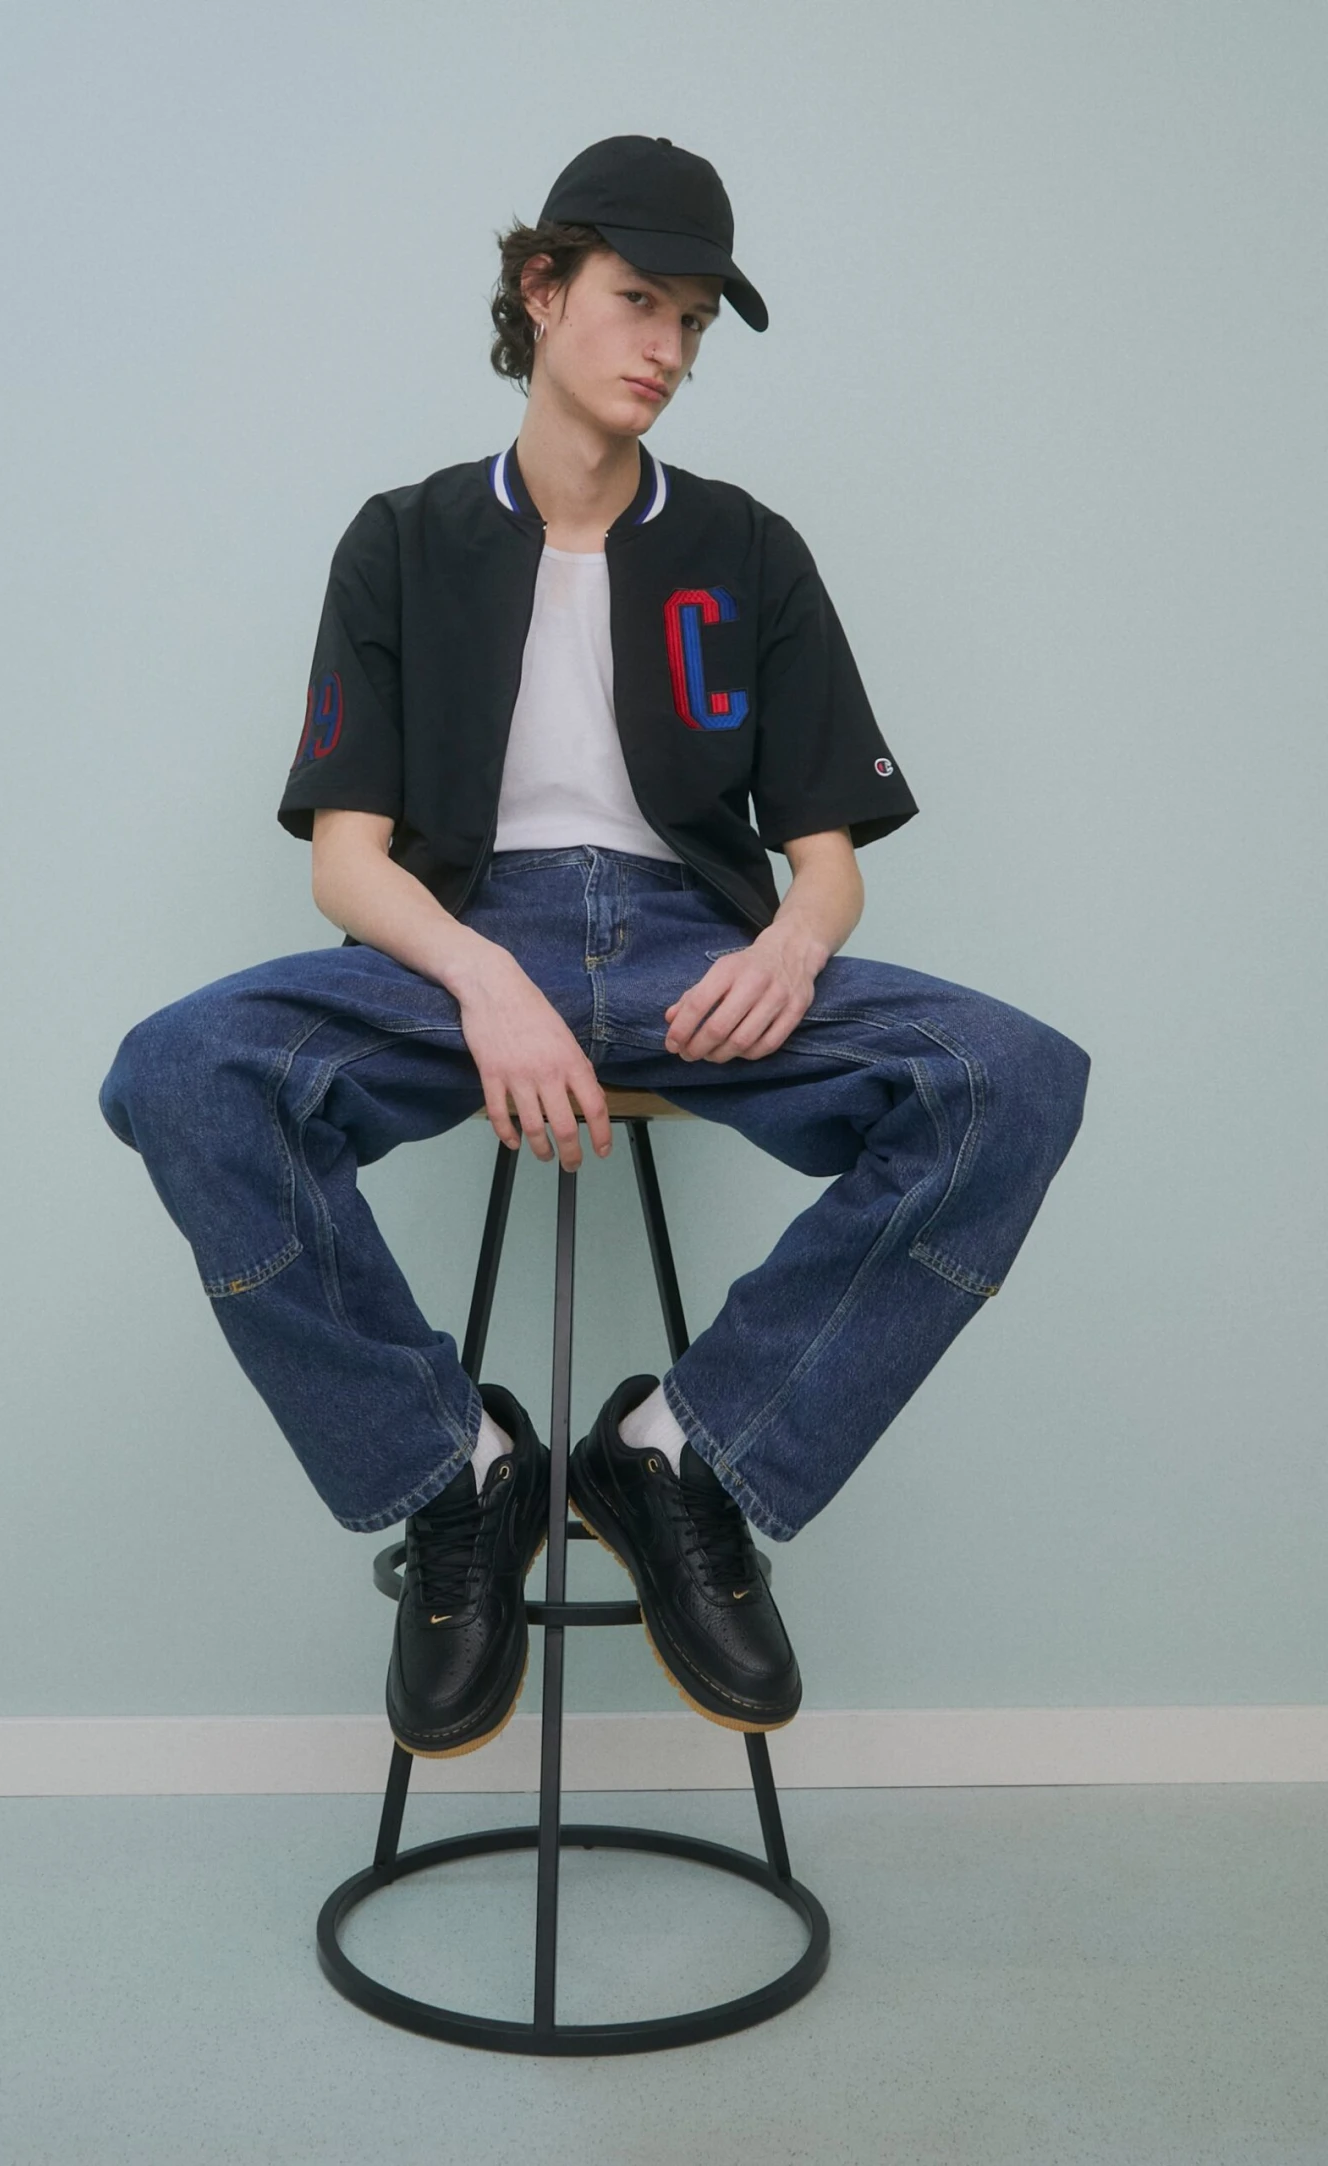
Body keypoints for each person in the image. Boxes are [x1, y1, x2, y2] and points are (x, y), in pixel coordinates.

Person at [98, 135, 1091, 1763]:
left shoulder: (749, 547)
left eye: (692, 321)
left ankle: (684, 1453)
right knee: (181, 1072)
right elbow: (348, 862)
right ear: (540, 288)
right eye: (639, 300)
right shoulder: (402, 540)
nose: (667, 347)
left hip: (700, 955)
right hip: (458, 946)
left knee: (1016, 1080)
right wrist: (485, 978)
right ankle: (457, 1477)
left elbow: (828, 861)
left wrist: (793, 943)